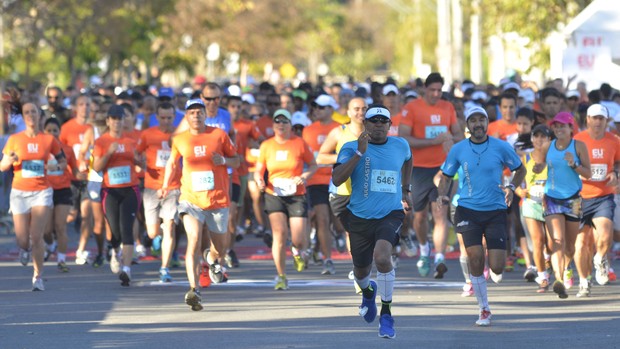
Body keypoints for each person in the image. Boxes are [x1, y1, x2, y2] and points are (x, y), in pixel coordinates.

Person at [436, 106, 526, 326]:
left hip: (495, 209)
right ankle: (483, 308)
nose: (478, 124)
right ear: (467, 125)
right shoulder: (458, 149)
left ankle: (495, 270)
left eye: (481, 120)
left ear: (487, 123)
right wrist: (442, 196)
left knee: (497, 266)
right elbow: (445, 176)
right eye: (473, 120)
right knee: (475, 257)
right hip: (467, 209)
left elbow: (520, 169)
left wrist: (512, 187)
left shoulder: (501, 146)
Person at [332, 104, 412, 339]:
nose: (378, 125)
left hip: (390, 213)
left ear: (389, 125)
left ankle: (386, 313)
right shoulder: (349, 147)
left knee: (383, 257)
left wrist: (406, 189)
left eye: (383, 121)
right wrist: (359, 153)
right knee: (361, 272)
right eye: (373, 121)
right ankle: (368, 292)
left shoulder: (400, 145)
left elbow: (409, 159)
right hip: (359, 216)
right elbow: (337, 179)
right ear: (365, 124)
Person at [162, 99, 239, 311]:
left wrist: (223, 161)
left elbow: (237, 160)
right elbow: (171, 163)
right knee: (193, 239)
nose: (195, 116)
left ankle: (212, 259)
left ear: (206, 115)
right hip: (190, 199)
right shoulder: (180, 139)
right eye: (191, 113)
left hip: (217, 199)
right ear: (186, 117)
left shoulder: (219, 135)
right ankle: (194, 289)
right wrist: (165, 186)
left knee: (219, 248)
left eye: (199, 112)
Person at [398, 72, 463, 278]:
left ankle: (440, 257)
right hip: (417, 168)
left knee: (440, 212)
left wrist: (452, 139)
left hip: (442, 168)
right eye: (432, 90)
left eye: (439, 90)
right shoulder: (412, 108)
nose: (436, 94)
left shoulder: (448, 107)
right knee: (418, 216)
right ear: (424, 90)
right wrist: (432, 142)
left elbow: (459, 134)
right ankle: (424, 250)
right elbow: (403, 138)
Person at [1, 103, 66, 290]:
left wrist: (57, 167)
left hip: (41, 191)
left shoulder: (48, 140)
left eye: (34, 112)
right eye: (27, 112)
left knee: (36, 236)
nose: (30, 115)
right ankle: (24, 248)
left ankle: (38, 277)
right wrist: (9, 160)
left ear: (40, 116)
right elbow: (2, 166)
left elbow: (62, 161)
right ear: (23, 116)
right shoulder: (14, 139)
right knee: (23, 239)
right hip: (20, 192)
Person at [255, 109, 317, 290]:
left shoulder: (299, 143)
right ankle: (281, 275)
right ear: (273, 125)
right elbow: (260, 169)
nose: (281, 125)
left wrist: (304, 176)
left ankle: (298, 250)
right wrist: (259, 179)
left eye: (284, 122)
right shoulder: (266, 145)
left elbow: (313, 165)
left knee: (298, 238)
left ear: (290, 125)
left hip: (296, 193)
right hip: (274, 193)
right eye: (277, 122)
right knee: (279, 234)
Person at [532, 112, 591, 299]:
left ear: (571, 128)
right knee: (557, 240)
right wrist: (538, 168)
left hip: (573, 199)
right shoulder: (548, 146)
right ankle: (559, 280)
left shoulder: (579, 146)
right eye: (556, 126)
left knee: (570, 246)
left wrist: (574, 164)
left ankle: (566, 269)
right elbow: (540, 165)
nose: (558, 129)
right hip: (552, 198)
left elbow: (588, 173)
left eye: (562, 126)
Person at [92, 105, 142, 287]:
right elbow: (96, 167)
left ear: (123, 121)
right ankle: (114, 250)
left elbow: (138, 161)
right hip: (110, 191)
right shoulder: (101, 141)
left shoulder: (131, 140)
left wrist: (139, 161)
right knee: (114, 229)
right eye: (113, 119)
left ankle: (127, 269)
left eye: (119, 119)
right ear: (108, 121)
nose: (116, 122)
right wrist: (109, 152)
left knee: (127, 228)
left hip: (130, 188)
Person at [573, 104, 620, 296]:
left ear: (606, 121)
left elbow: (617, 161)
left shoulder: (614, 141)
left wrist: (615, 172)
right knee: (581, 242)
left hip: (603, 195)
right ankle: (584, 282)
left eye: (602, 118)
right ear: (588, 120)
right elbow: (566, 164)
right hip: (579, 197)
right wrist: (578, 173)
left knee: (606, 234)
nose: (598, 122)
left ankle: (600, 258)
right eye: (595, 118)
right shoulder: (577, 140)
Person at [136, 102, 181, 282]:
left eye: (169, 118)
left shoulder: (179, 135)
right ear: (157, 117)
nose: (166, 121)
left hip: (173, 186)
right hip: (151, 187)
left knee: (170, 227)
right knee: (153, 233)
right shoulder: (148, 134)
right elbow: (136, 154)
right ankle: (157, 237)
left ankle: (165, 267)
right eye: (162, 118)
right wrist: (143, 166)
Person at [302, 99, 340, 274]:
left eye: (322, 107)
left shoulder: (340, 129)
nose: (317, 109)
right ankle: (327, 259)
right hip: (316, 181)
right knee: (322, 219)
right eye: (315, 106)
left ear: (331, 109)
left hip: (339, 180)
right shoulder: (308, 130)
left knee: (339, 221)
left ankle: (339, 234)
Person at [517, 124, 552, 293]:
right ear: (532, 139)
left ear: (549, 140)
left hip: (552, 204)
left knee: (552, 243)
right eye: (536, 136)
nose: (539, 140)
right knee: (538, 240)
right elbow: (514, 182)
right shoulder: (525, 159)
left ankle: (549, 258)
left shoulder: (554, 159)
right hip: (531, 203)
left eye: (543, 137)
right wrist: (520, 191)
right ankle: (543, 277)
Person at [59, 95, 94, 265]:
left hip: (90, 177)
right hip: (72, 178)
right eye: (81, 104)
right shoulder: (66, 128)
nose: (84, 107)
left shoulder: (94, 128)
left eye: (87, 104)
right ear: (75, 107)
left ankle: (81, 249)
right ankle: (52, 236)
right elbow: (60, 152)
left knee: (87, 215)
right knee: (71, 216)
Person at [43, 118, 80, 272]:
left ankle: (62, 260)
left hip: (63, 190)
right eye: (49, 131)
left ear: (60, 132)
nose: (52, 134)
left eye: (55, 130)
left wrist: (83, 179)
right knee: (46, 230)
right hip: (44, 190)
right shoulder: (41, 149)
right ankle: (51, 245)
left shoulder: (68, 149)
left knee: (60, 226)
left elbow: (75, 170)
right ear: (44, 132)